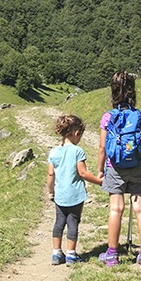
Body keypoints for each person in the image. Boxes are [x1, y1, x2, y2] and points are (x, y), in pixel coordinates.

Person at [97, 70, 141, 269]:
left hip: (115, 168)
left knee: (116, 209)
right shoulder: (140, 115)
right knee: (140, 209)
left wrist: (101, 170)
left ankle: (112, 254)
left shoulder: (108, 117)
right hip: (137, 167)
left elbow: (103, 147)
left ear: (112, 91)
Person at [46, 114, 102, 266]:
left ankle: (56, 253)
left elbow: (51, 174)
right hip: (75, 195)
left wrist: (50, 191)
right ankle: (71, 255)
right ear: (76, 132)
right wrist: (99, 181)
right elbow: (83, 173)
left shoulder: (53, 152)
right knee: (73, 222)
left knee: (59, 223)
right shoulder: (78, 151)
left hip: (60, 195)